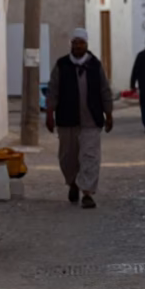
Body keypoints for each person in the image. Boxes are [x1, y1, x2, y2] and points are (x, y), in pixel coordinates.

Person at [45, 28, 114, 209]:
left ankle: (88, 193)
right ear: (71, 44)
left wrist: (109, 114)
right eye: (75, 43)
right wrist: (49, 113)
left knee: (90, 156)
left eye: (81, 43)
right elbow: (53, 91)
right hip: (67, 120)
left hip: (91, 121)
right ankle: (73, 183)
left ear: (86, 44)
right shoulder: (62, 65)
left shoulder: (95, 66)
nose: (77, 46)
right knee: (67, 158)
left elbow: (104, 91)